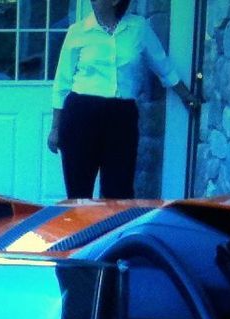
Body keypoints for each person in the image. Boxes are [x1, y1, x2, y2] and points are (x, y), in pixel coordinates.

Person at [48, 0, 198, 201]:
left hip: (121, 117)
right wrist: (55, 128)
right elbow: (62, 83)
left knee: (119, 192)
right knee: (78, 192)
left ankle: (114, 232)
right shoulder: (78, 31)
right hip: (80, 115)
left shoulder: (138, 28)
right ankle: (81, 232)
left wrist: (185, 94)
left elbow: (162, 65)